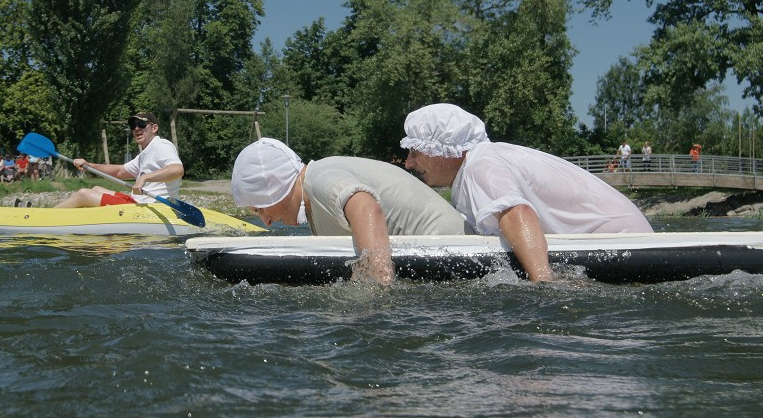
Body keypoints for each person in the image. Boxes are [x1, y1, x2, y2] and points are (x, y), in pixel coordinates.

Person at [401, 104, 653, 282]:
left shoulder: (481, 164)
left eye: (414, 152)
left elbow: (516, 212)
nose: (408, 164)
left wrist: (544, 283)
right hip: (621, 241)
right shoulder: (478, 165)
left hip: (628, 244)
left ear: (444, 149)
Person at [231, 138, 469, 285]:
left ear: (272, 185)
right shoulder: (315, 196)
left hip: (455, 251)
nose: (267, 222)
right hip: (442, 256)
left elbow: (366, 206)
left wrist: (377, 287)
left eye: (260, 209)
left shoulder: (321, 180)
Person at [54, 112, 183, 208]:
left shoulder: (161, 145)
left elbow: (177, 170)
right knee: (96, 188)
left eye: (142, 124)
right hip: (138, 203)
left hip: (151, 208)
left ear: (154, 128)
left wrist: (145, 178)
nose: (136, 128)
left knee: (83, 194)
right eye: (133, 125)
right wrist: (89, 165)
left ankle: (47, 217)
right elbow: (120, 171)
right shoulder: (144, 153)